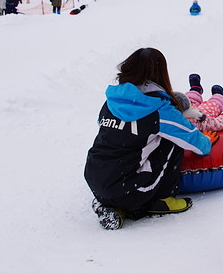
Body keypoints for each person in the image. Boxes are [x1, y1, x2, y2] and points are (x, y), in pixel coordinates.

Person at [84, 48, 214, 230]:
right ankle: (162, 199)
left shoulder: (111, 101)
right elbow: (193, 140)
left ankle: (109, 204)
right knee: (172, 139)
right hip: (130, 188)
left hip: (93, 177)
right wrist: (207, 141)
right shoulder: (159, 110)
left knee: (127, 143)